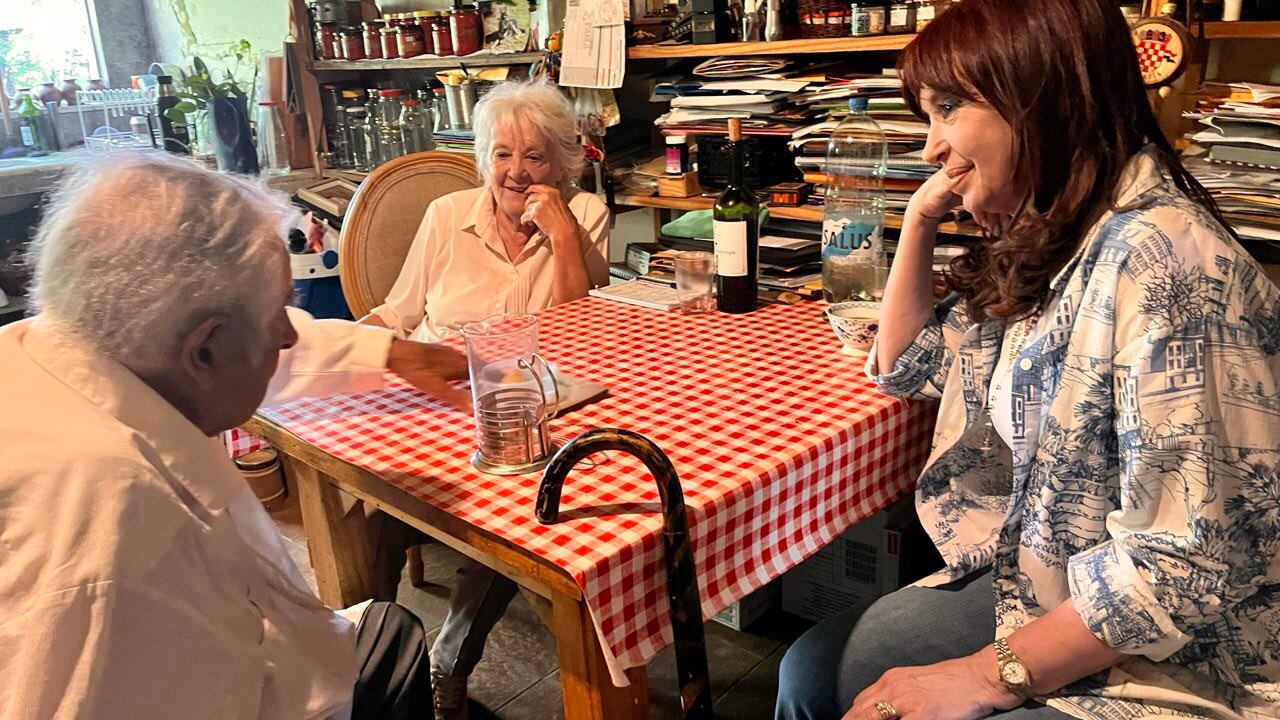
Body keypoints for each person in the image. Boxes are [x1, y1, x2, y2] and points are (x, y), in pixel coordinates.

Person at [775, 1, 1280, 719]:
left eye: (948, 108)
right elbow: (909, 362)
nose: (929, 146)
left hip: (1195, 654)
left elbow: (1183, 568)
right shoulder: (1060, 232)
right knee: (818, 670)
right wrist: (918, 219)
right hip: (1054, 575)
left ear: (1043, 97)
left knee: (846, 679)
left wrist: (987, 675)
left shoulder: (1167, 265)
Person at [0, 152, 473, 719]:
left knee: (387, 630)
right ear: (204, 349)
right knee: (390, 639)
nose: (289, 337)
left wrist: (390, 352)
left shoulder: (71, 341)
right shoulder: (112, 533)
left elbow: (261, 346)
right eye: (280, 312)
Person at [361, 78, 610, 720]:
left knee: (519, 503)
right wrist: (334, 349)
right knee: (373, 483)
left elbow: (579, 335)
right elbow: (398, 309)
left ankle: (448, 661)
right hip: (431, 398)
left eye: (535, 156)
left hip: (520, 406)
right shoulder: (447, 215)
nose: (517, 172)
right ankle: (363, 636)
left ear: (562, 161)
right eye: (503, 154)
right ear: (483, 158)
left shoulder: (585, 217)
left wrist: (561, 238)